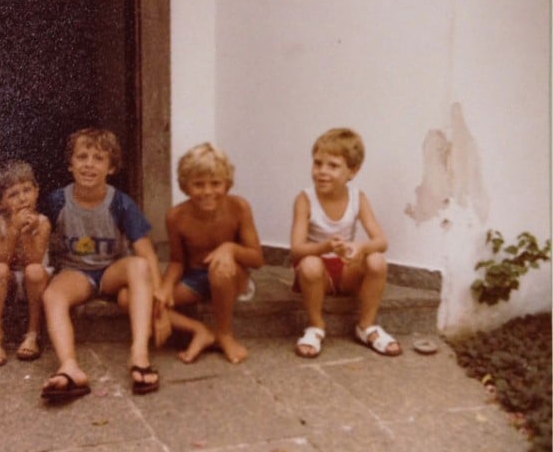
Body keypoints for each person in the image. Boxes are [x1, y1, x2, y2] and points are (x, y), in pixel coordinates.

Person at [39, 127, 167, 400]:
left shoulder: (119, 203)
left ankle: (140, 355)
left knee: (139, 266)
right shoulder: (57, 201)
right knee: (52, 295)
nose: (89, 164)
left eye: (98, 158)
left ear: (111, 168)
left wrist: (158, 294)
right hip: (75, 272)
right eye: (82, 156)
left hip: (111, 269)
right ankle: (69, 366)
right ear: (70, 164)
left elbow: (146, 251)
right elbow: (36, 233)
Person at [289, 128, 401, 358]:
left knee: (377, 261)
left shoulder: (358, 198)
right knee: (309, 264)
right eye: (317, 163)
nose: (322, 172)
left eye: (332, 166)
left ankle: (366, 326)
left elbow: (381, 241)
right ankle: (315, 326)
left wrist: (360, 247)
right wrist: (325, 247)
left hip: (346, 268)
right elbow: (296, 250)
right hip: (317, 274)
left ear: (352, 171)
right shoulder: (305, 199)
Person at [158, 143, 264, 364]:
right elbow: (177, 261)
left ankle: (224, 333)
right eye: (198, 185)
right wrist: (165, 288)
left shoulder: (239, 208)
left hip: (234, 277)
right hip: (195, 279)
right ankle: (201, 331)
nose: (207, 192)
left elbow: (257, 259)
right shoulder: (176, 216)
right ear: (185, 186)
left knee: (220, 269)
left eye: (215, 183)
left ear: (227, 183)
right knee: (133, 298)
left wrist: (230, 249)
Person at [0, 160, 51, 367]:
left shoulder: (43, 223)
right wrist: (14, 229)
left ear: (36, 191)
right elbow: (0, 258)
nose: (22, 198)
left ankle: (33, 333)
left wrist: (27, 232)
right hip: (10, 283)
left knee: (35, 271)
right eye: (13, 194)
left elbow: (34, 259)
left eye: (27, 190)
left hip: (36, 281)